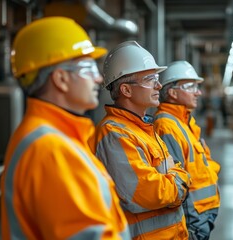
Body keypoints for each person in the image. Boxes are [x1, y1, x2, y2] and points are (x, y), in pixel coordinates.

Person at [0, 16, 130, 239]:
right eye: (88, 68)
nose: (98, 78)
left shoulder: (57, 137)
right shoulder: (50, 149)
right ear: (60, 79)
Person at [88, 41, 191, 240]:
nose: (158, 85)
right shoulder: (114, 133)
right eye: (150, 79)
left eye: (157, 78)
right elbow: (147, 193)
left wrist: (173, 175)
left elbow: (175, 168)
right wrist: (180, 180)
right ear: (126, 90)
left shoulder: (144, 128)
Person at [154, 60, 221, 240]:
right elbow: (177, 182)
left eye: (197, 86)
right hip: (195, 218)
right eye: (191, 86)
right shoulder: (166, 126)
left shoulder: (185, 122)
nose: (198, 92)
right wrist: (191, 225)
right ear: (173, 92)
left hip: (204, 212)